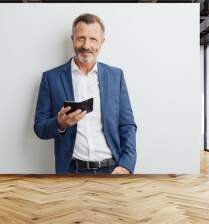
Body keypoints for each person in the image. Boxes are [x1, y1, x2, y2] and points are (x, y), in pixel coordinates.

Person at [34, 13, 137, 175]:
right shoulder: (51, 78)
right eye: (81, 38)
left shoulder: (116, 76)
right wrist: (60, 124)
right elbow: (40, 128)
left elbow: (127, 125)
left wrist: (126, 164)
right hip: (70, 172)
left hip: (112, 170)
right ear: (72, 39)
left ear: (102, 42)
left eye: (93, 39)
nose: (86, 45)